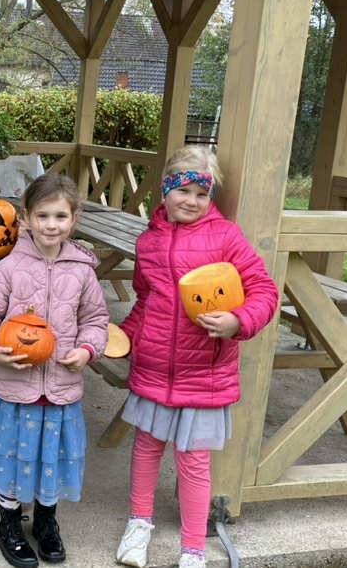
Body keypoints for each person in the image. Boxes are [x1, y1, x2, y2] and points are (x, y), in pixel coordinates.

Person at [115, 146, 279, 568]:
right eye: (181, 190)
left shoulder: (226, 237)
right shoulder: (147, 240)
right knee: (146, 448)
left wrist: (238, 321)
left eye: (200, 194)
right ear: (165, 190)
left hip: (203, 373)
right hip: (152, 367)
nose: (190, 200)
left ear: (210, 198)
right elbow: (145, 300)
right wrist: (125, 338)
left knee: (193, 462)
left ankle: (192, 548)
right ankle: (139, 523)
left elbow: (263, 290)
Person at [0, 173, 109, 568]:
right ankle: (8, 522)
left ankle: (46, 521)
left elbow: (96, 319)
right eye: (43, 215)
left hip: (61, 388)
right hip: (16, 386)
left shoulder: (82, 270)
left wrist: (86, 350)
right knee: (13, 457)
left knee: (49, 457)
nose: (51, 224)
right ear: (26, 218)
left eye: (60, 216)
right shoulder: (10, 267)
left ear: (74, 218)